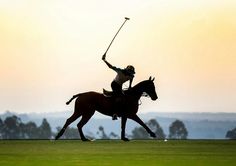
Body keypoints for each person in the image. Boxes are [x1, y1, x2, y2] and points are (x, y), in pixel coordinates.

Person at [102, 55, 135, 120]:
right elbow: (110, 67)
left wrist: (130, 86)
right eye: (128, 71)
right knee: (119, 97)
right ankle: (114, 113)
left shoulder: (131, 76)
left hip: (120, 86)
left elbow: (131, 81)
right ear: (126, 69)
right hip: (114, 84)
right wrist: (104, 60)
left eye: (130, 72)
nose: (128, 73)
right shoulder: (120, 71)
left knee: (124, 96)